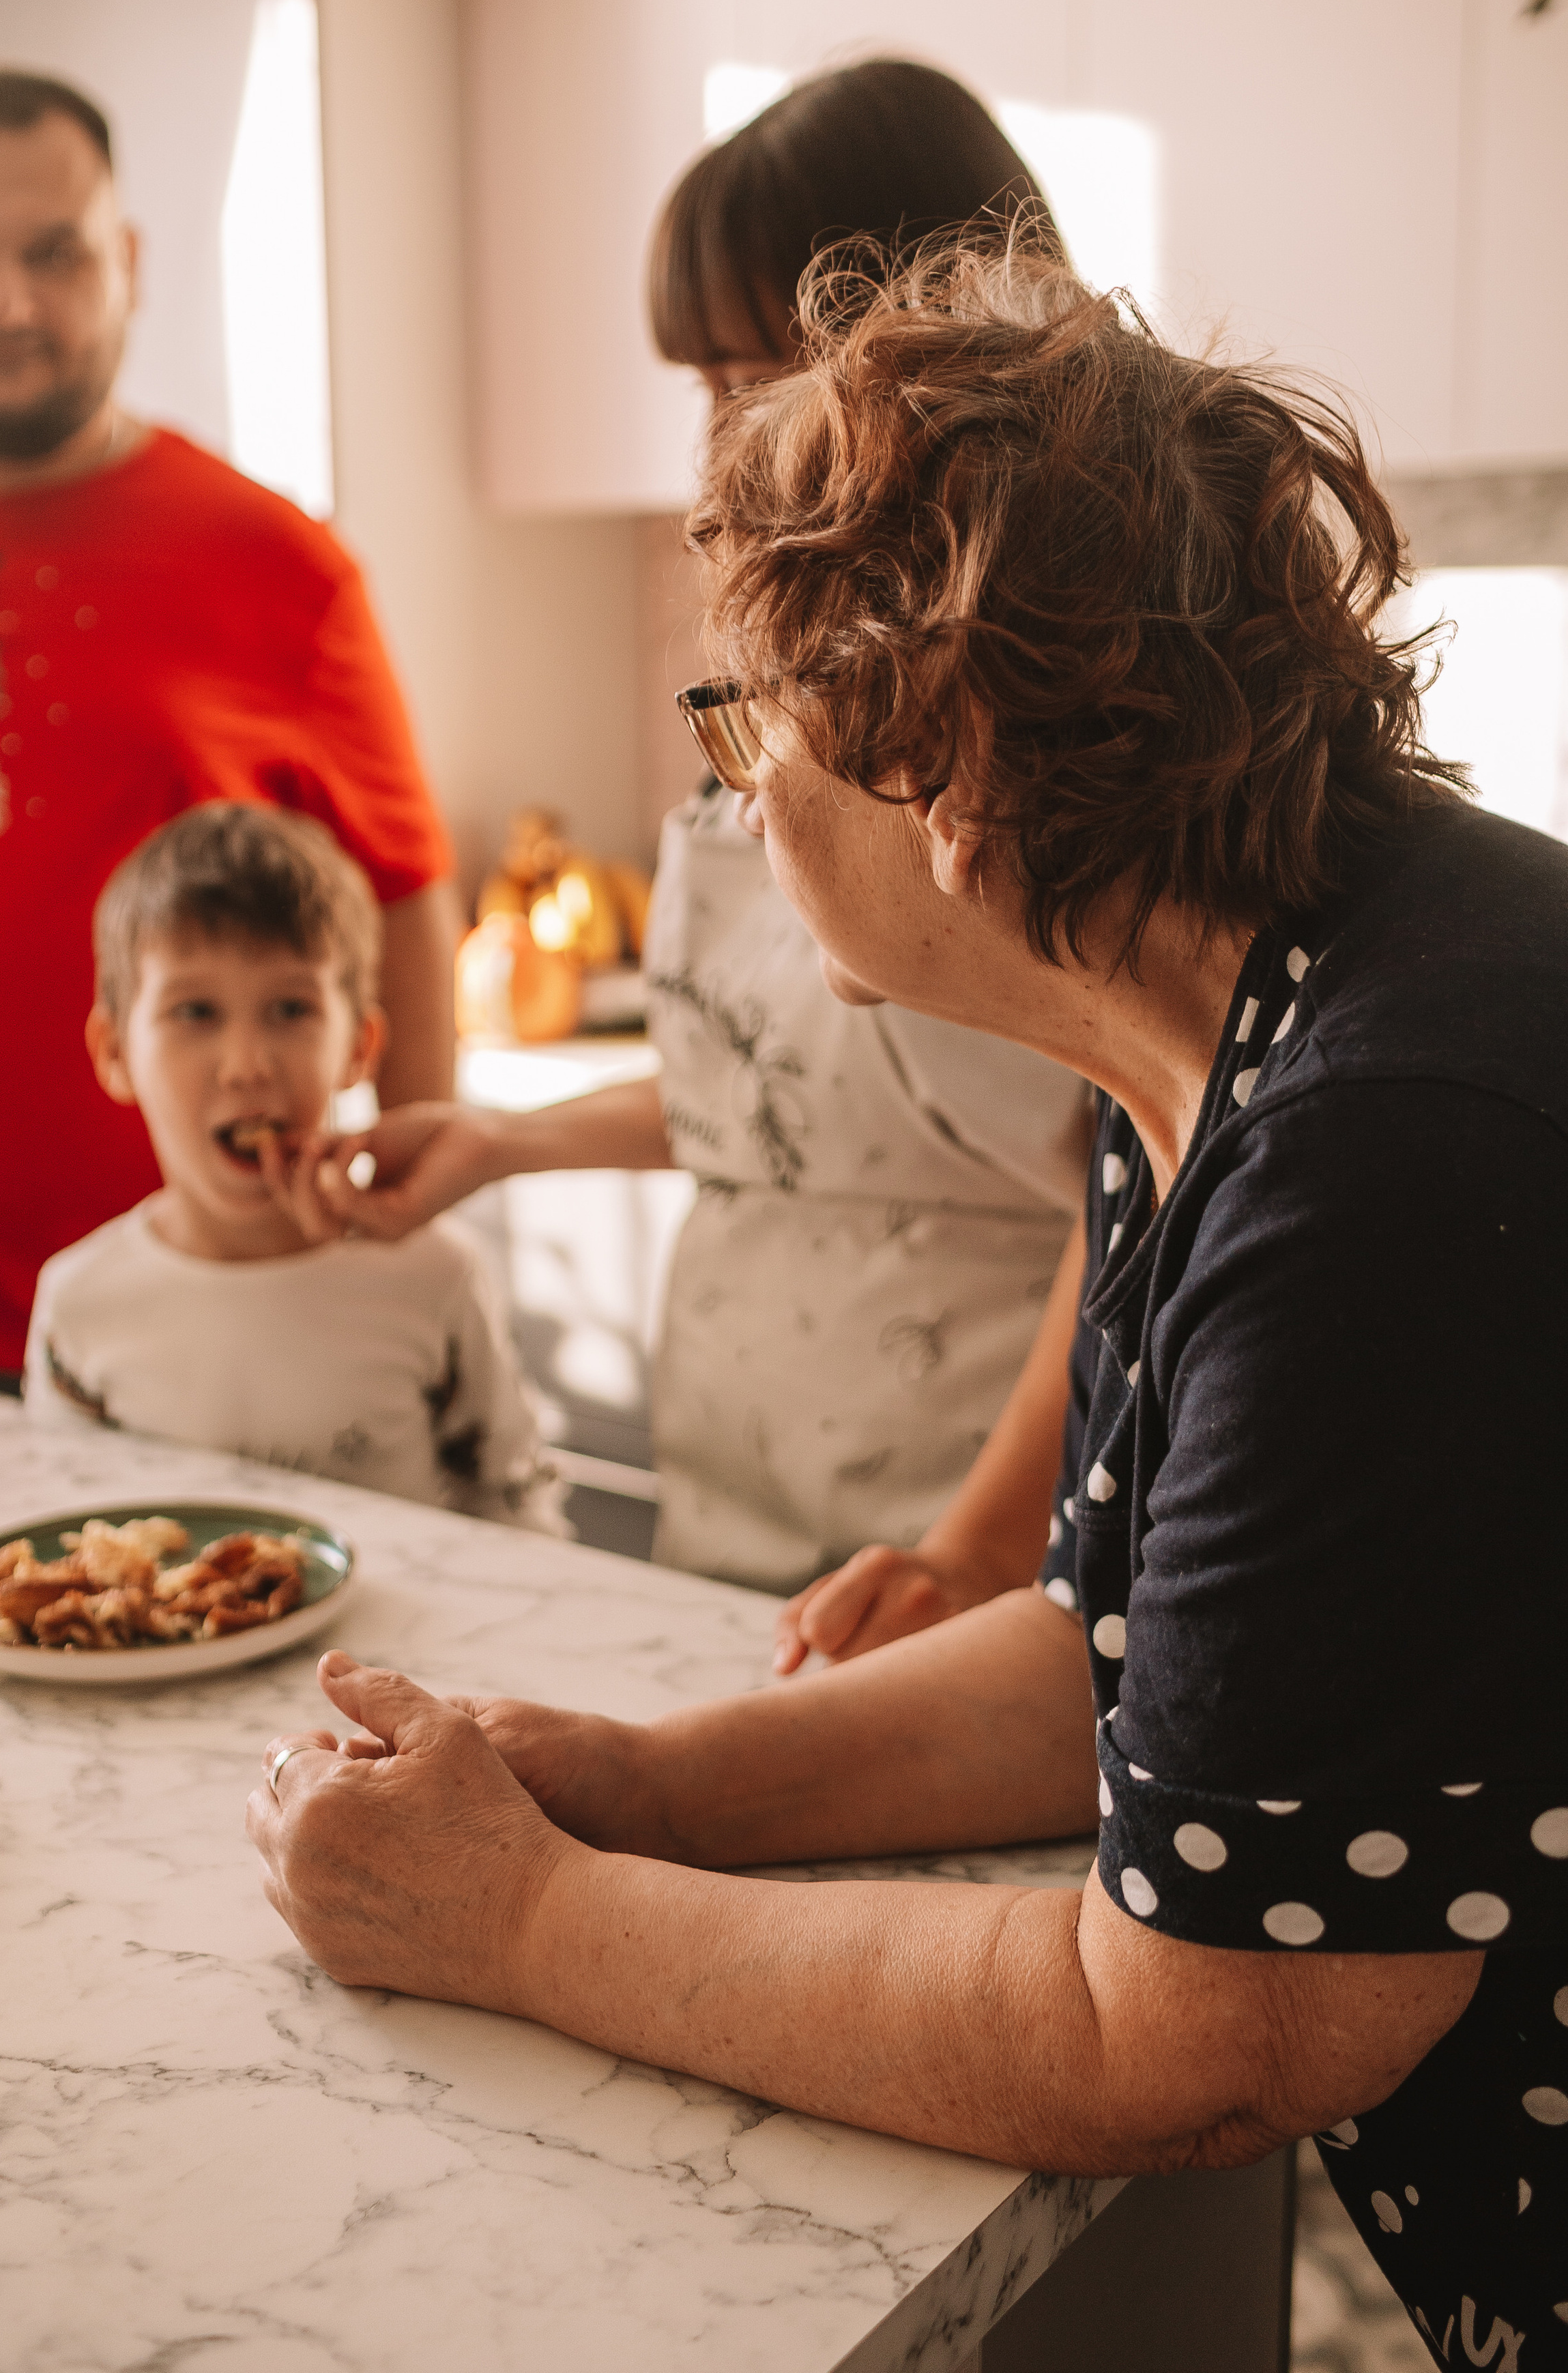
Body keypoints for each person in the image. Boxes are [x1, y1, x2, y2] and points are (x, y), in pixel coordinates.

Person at [249, 242, 1568, 2353]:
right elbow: (1128, 1667)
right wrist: (647, 1777)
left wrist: (529, 1913)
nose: (733, 781)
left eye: (747, 716)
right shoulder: (1229, 1015)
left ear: (945, 774)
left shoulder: (1378, 1144)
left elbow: (1201, 2025)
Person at [274, 60, 1094, 1603]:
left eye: (753, 372)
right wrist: (504, 1142)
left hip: (974, 1544)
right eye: (700, 381)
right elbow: (780, 1079)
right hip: (738, 1515)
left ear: (937, 341)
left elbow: (1138, 1187)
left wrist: (970, 1554)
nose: (718, 435)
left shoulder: (1054, 742)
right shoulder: (786, 687)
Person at [0, 66, 461, 1390]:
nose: (6, 300)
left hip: (179, 1351)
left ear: (127, 261)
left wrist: (410, 1240)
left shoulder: (278, 567)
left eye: (53, 253)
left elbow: (404, 902)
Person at [26, 802, 560, 1530]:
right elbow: (73, 1554)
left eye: (288, 1010)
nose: (246, 1067)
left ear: (359, 1047)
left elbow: (518, 1513)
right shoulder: (80, 1305)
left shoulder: (433, 1279)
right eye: (195, 1013)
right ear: (115, 1053)